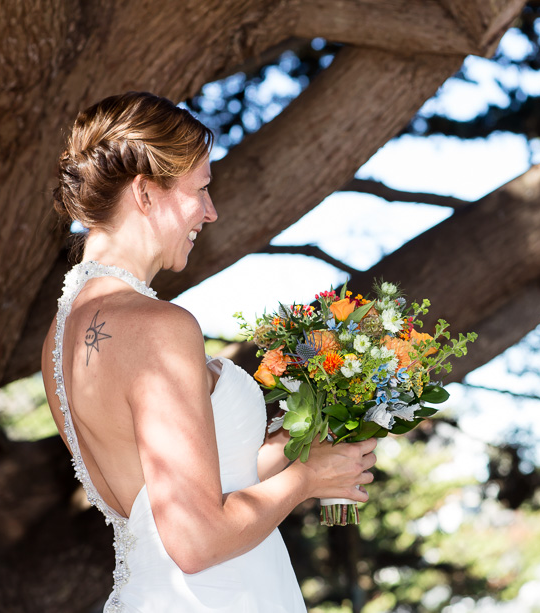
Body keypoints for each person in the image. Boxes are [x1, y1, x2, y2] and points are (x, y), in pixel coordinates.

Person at [40, 91, 376, 612]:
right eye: (201, 189)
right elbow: (197, 541)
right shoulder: (157, 327)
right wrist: (308, 480)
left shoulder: (60, 337)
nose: (211, 213)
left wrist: (299, 445)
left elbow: (169, 494)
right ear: (146, 194)